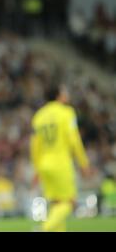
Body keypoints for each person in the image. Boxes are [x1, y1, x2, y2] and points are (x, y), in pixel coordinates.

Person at [30, 84, 91, 232]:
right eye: (64, 91)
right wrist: (84, 163)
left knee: (56, 204)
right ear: (59, 95)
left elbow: (34, 146)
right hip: (61, 163)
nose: (67, 94)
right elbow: (74, 140)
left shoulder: (39, 116)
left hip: (44, 164)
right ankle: (44, 228)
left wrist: (37, 169)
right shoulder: (66, 113)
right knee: (69, 202)